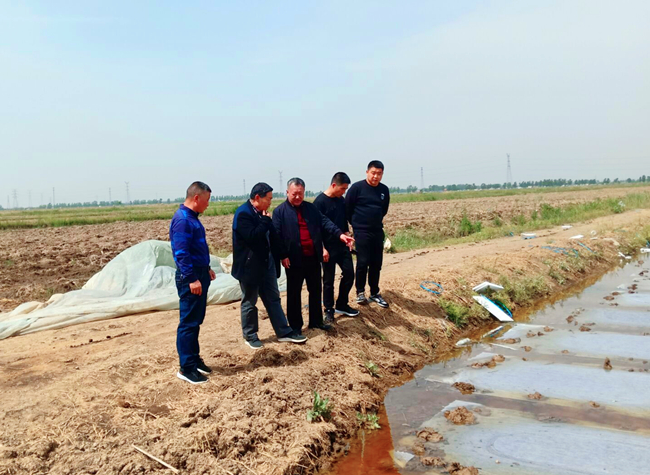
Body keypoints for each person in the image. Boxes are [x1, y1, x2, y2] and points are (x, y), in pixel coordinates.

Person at [273, 178, 355, 334]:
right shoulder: (280, 212)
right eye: (294, 194)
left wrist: (340, 235)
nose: (298, 197)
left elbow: (325, 222)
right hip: (294, 259)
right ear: (287, 192)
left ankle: (316, 321)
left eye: (301, 194)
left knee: (316, 290)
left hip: (312, 257)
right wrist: (283, 255)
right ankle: (296, 326)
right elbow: (277, 236)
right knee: (294, 293)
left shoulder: (311, 209)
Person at [232, 182, 307, 349]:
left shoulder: (262, 213)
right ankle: (250, 335)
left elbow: (273, 237)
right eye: (269, 198)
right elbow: (252, 236)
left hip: (267, 264)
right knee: (250, 301)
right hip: (249, 267)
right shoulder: (243, 214)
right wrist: (265, 221)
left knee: (273, 298)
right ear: (257, 198)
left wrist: (282, 254)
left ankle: (284, 332)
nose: (270, 202)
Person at [170, 181, 217, 385]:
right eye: (206, 200)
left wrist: (206, 268)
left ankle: (194, 360)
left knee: (196, 321)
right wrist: (191, 278)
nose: (208, 204)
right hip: (191, 278)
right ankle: (186, 368)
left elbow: (196, 249)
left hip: (199, 273)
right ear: (196, 198)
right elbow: (181, 253)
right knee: (188, 322)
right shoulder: (182, 220)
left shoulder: (192, 218)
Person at [313, 172, 359, 323]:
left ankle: (342, 304)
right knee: (328, 280)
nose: (344, 192)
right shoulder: (319, 203)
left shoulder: (341, 201)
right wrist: (322, 248)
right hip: (327, 247)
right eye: (342, 188)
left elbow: (343, 221)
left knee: (349, 273)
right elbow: (316, 228)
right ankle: (328, 309)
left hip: (342, 245)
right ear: (334, 185)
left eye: (346, 189)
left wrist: (347, 234)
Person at [346, 161, 390, 308]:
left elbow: (384, 210)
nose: (376, 176)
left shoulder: (384, 190)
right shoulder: (357, 188)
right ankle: (360, 292)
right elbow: (348, 208)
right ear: (367, 172)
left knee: (376, 263)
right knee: (363, 262)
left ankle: (374, 292)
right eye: (373, 173)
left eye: (379, 174)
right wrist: (356, 224)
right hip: (361, 231)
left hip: (377, 231)